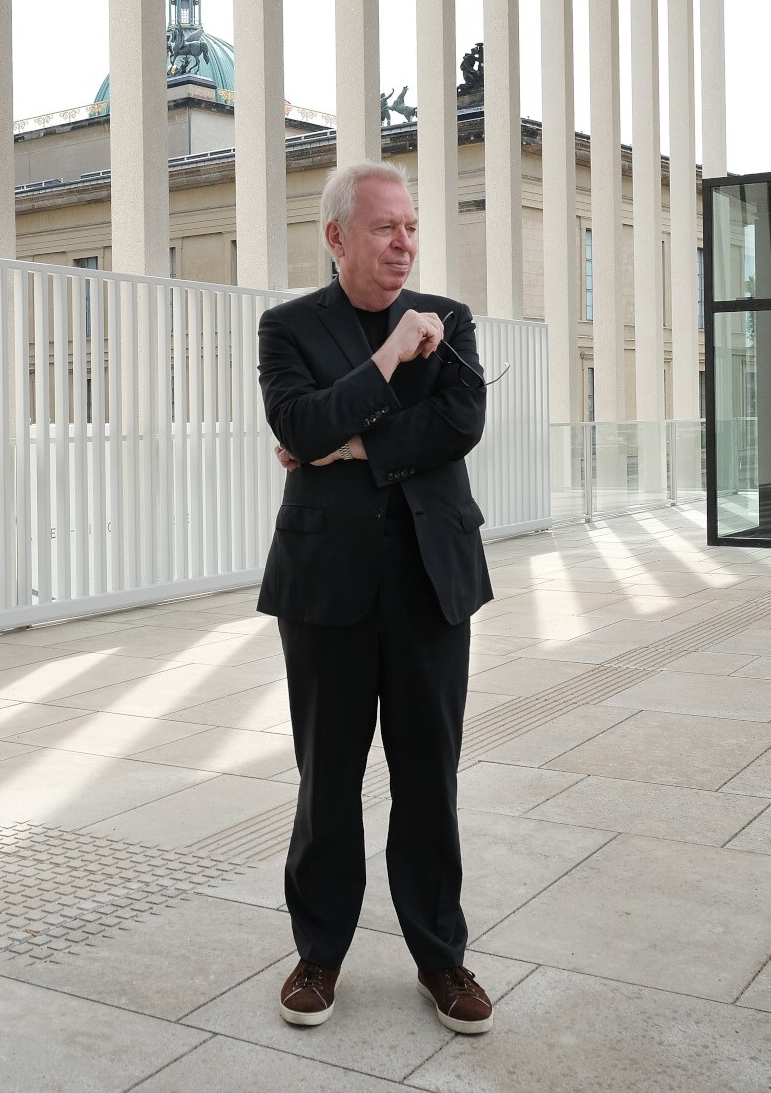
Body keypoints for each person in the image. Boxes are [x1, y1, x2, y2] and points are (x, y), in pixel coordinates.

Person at [255, 160, 496, 1035]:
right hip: (327, 584)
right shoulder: (287, 328)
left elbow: (461, 422)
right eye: (386, 227)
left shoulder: (449, 319)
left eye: (411, 227)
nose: (404, 243)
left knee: (430, 775)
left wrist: (351, 446)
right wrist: (391, 356)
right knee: (328, 781)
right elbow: (300, 424)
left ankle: (442, 958)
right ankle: (319, 954)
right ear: (337, 237)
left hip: (433, 578)